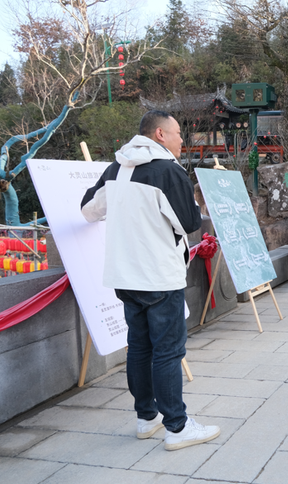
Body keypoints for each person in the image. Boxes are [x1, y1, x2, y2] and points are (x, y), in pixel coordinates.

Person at [81, 110, 220, 451]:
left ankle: (147, 418)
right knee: (168, 352)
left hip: (124, 276)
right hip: (158, 275)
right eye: (177, 133)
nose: (182, 140)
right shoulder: (168, 171)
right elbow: (189, 223)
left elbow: (88, 209)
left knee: (140, 349)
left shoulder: (116, 169)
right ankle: (177, 427)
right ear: (160, 134)